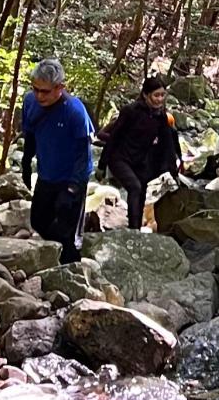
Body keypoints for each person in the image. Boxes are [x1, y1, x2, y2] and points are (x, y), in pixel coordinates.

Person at [20, 58, 95, 264]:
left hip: (72, 177)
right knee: (38, 220)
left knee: (67, 229)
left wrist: (72, 189)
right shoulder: (29, 102)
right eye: (35, 89)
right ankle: (55, 255)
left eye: (45, 91)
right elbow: (31, 134)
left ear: (60, 88)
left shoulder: (74, 110)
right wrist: (26, 163)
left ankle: (72, 269)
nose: (39, 95)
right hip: (47, 174)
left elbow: (83, 152)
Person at [97, 75, 185, 231]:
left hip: (140, 160)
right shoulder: (130, 111)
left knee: (142, 191)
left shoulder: (161, 117)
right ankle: (133, 230)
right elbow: (114, 138)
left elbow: (168, 146)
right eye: (156, 95)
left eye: (162, 95)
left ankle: (135, 227)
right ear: (145, 95)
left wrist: (174, 171)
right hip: (120, 158)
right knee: (135, 187)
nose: (159, 99)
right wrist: (102, 165)